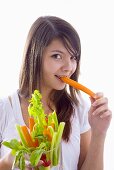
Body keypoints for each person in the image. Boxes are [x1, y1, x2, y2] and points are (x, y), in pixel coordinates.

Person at [0, 16, 112, 170]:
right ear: (35, 57)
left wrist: (99, 133)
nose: (69, 67)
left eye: (73, 57)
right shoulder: (4, 109)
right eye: (57, 56)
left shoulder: (79, 109)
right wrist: (6, 163)